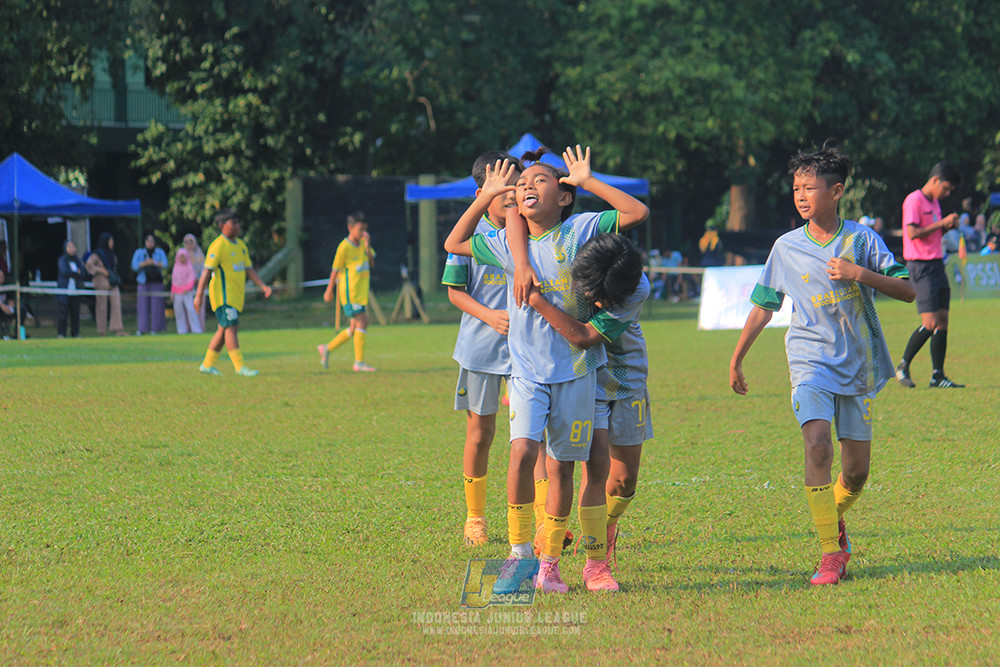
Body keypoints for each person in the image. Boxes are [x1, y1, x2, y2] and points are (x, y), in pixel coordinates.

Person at [444, 145, 649, 594]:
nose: (527, 186)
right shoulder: (505, 243)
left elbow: (636, 212)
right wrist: (487, 197)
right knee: (521, 453)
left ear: (564, 196)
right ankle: (519, 556)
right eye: (521, 184)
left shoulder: (579, 230)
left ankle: (567, 565)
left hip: (579, 371)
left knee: (569, 470)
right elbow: (454, 243)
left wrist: (589, 180)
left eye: (539, 180)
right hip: (526, 373)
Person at [729, 143, 915, 586]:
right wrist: (737, 359)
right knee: (817, 446)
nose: (801, 196)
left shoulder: (862, 240)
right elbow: (764, 306)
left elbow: (908, 291)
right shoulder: (785, 247)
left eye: (809, 188)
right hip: (809, 360)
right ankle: (831, 553)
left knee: (856, 472)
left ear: (836, 191)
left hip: (857, 365)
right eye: (796, 188)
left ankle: (832, 517)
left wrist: (859, 274)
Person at [524, 233, 652, 581]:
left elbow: (584, 336)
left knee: (623, 480)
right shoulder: (567, 265)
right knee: (578, 465)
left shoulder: (637, 286)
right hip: (582, 378)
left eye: (603, 298)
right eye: (592, 293)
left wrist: (536, 301)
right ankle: (590, 561)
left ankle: (602, 529)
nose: (595, 302)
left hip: (626, 378)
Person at [441, 151, 521, 547]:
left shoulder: (531, 232)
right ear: (482, 193)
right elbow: (455, 293)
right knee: (480, 434)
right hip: (481, 350)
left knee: (531, 437)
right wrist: (489, 316)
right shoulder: (469, 237)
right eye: (503, 190)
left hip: (528, 352)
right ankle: (475, 517)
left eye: (516, 188)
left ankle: (540, 521)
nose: (512, 196)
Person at [894, 162, 964, 389]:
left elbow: (931, 233)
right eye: (946, 188)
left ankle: (938, 376)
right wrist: (941, 223)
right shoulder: (913, 200)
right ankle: (902, 366)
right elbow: (912, 233)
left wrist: (946, 227)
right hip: (920, 266)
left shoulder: (934, 203)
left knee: (943, 321)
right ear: (935, 180)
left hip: (936, 263)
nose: (947, 193)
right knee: (930, 322)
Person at [193, 208, 272, 376]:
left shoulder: (241, 245)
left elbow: (248, 268)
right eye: (233, 223)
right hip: (223, 296)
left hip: (235, 296)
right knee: (231, 328)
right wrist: (199, 296)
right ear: (222, 225)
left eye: (238, 223)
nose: (237, 226)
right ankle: (239, 366)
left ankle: (206, 365)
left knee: (223, 330)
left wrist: (262, 285)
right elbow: (206, 272)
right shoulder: (218, 246)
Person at [317, 211, 377, 372]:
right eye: (360, 229)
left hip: (360, 293)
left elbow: (372, 264)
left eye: (365, 229)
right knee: (362, 321)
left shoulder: (364, 244)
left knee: (353, 328)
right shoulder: (344, 247)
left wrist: (367, 247)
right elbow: (335, 270)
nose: (363, 233)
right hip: (350, 293)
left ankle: (326, 348)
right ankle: (359, 363)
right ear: (350, 228)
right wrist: (329, 291)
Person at [85, 231, 127, 336]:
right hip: (101, 282)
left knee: (116, 304)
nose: (112, 242)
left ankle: (117, 328)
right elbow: (88, 266)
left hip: (112, 282)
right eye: (110, 240)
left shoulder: (112, 254)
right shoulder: (96, 254)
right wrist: (100, 270)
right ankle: (101, 330)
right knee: (101, 307)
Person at [131, 234, 169, 335]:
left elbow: (165, 264)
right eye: (148, 241)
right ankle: (142, 329)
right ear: (145, 242)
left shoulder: (159, 252)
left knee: (156, 306)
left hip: (156, 282)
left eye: (152, 241)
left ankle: (155, 328)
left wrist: (154, 263)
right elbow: (134, 266)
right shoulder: (139, 252)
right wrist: (144, 263)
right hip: (143, 282)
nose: (150, 243)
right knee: (142, 307)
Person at [56, 240, 87, 338]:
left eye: (73, 246)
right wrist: (76, 273)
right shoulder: (62, 259)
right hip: (64, 292)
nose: (72, 248)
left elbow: (83, 273)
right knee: (63, 314)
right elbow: (65, 271)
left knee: (75, 314)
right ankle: (61, 334)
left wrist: (76, 273)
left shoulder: (77, 260)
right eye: (70, 246)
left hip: (75, 292)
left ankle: (75, 333)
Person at [170, 247, 202, 334]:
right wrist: (172, 293)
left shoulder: (189, 267)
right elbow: (174, 281)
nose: (182, 259)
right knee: (178, 312)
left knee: (191, 310)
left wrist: (187, 288)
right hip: (177, 293)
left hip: (187, 292)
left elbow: (192, 279)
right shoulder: (176, 267)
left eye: (183, 256)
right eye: (180, 257)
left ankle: (196, 329)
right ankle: (181, 330)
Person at [183, 233, 207, 331]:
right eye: (187, 242)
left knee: (200, 306)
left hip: (199, 284)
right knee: (188, 307)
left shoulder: (200, 255)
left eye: (191, 242)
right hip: (187, 285)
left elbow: (204, 268)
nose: (189, 244)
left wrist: (200, 279)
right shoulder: (182, 255)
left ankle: (200, 327)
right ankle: (188, 327)